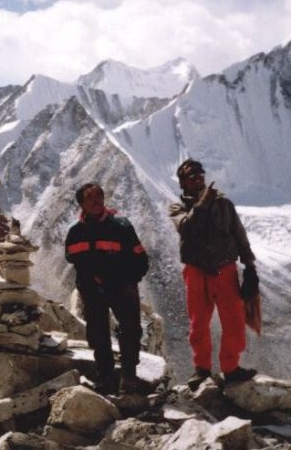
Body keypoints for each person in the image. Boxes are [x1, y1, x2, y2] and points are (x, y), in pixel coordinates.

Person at [169, 159, 261, 389]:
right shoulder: (177, 208)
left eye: (200, 173)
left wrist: (250, 266)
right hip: (195, 271)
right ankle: (202, 369)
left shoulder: (224, 204)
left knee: (234, 320)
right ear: (183, 182)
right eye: (192, 175)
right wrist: (202, 203)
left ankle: (231, 368)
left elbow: (239, 235)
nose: (198, 177)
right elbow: (187, 229)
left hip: (224, 269)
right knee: (198, 322)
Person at [65, 182, 150, 394]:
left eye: (98, 196)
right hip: (92, 291)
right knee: (98, 334)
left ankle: (129, 376)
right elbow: (73, 259)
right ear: (81, 204)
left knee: (130, 330)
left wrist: (130, 281)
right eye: (89, 197)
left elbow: (140, 258)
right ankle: (106, 378)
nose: (95, 201)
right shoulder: (75, 232)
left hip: (122, 288)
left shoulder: (121, 226)